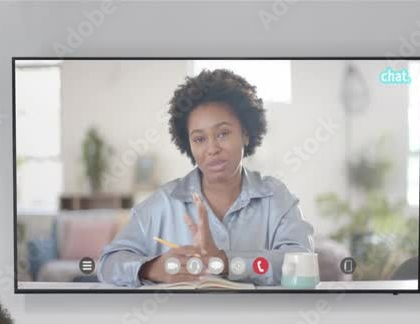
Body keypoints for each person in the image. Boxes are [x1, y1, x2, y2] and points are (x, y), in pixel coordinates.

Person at [98, 68, 314, 287]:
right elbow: (108, 264)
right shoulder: (163, 203)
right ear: (188, 144)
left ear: (246, 133)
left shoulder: (275, 198)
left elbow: (301, 261)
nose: (212, 148)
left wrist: (224, 261)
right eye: (199, 139)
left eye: (222, 133)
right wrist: (152, 268)